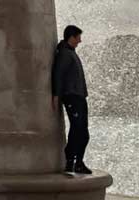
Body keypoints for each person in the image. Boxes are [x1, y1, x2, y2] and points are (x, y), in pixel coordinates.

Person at [52, 25, 95, 175]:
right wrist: (56, 96)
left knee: (82, 131)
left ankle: (76, 162)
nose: (80, 40)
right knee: (79, 130)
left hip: (79, 96)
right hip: (71, 96)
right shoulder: (64, 54)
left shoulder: (70, 52)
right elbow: (58, 75)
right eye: (78, 37)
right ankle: (73, 161)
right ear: (71, 37)